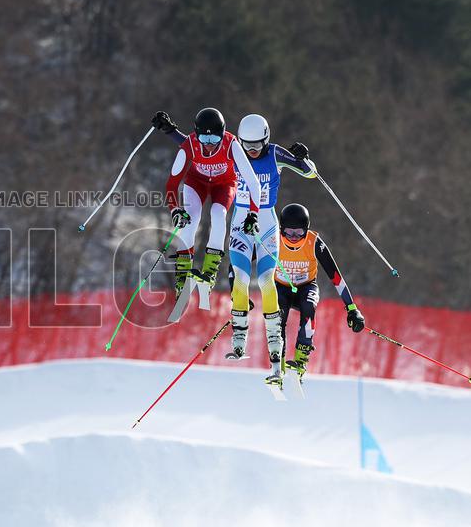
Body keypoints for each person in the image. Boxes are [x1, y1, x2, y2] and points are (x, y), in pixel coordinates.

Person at [227, 114, 316, 380]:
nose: (251, 152)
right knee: (241, 280)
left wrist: (303, 157)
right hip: (240, 222)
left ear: (266, 139)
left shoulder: (276, 153)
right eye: (246, 146)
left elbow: (310, 172)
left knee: (267, 281)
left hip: (266, 222)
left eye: (256, 145)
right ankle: (239, 337)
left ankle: (275, 346)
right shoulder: (234, 152)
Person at [152, 108, 262, 301]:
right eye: (204, 140)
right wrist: (175, 210)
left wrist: (253, 214)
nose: (209, 146)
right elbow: (171, 184)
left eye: (214, 141)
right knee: (190, 219)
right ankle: (182, 275)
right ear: (196, 134)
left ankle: (210, 271)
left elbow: (253, 183)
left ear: (222, 134)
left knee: (218, 215)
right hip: (197, 183)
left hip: (224, 184)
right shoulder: (190, 145)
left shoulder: (231, 144)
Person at [270, 202, 366, 388]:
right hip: (281, 287)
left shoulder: (314, 243)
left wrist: (352, 309)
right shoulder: (273, 238)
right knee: (278, 312)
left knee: (308, 305)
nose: (293, 237)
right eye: (288, 232)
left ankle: (300, 361)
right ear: (281, 229)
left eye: (299, 233)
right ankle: (278, 366)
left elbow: (336, 277)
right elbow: (246, 258)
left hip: (306, 287)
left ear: (306, 229)